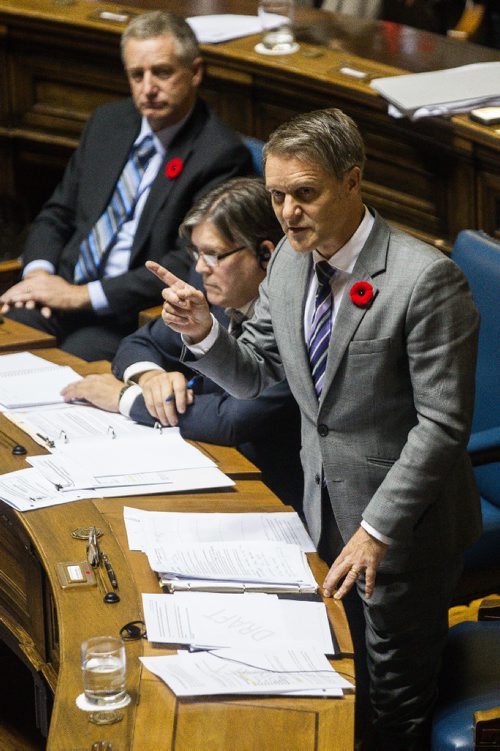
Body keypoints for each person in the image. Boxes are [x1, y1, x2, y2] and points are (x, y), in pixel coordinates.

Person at [147, 108, 482, 750]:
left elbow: (442, 427)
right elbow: (255, 373)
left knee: (395, 708)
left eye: (305, 193)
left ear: (352, 182)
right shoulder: (291, 265)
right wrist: (203, 333)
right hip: (320, 507)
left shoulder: (424, 280)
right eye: (276, 196)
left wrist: (376, 532)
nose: (288, 213)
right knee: (340, 681)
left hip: (402, 532)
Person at [0, 10, 251, 361]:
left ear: (194, 72)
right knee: (8, 347)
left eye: (162, 72)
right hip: (57, 291)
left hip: (125, 314)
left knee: (71, 377)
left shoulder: (219, 155)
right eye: (137, 75)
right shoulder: (107, 123)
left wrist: (83, 296)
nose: (148, 88)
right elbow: (58, 212)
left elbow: (189, 261)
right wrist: (38, 277)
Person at [61, 177, 303, 509]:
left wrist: (124, 398)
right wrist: (151, 379)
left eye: (214, 255)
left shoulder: (297, 318)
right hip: (202, 461)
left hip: (272, 489)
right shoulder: (215, 293)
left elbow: (231, 419)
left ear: (265, 254)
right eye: (196, 253)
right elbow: (142, 341)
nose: (201, 269)